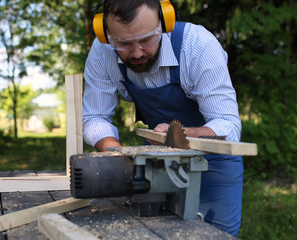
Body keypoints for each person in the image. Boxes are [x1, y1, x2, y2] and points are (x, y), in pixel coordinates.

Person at [82, 0, 243, 237]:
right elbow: (95, 116)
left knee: (216, 234)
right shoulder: (102, 50)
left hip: (213, 158)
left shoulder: (199, 46)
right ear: (105, 35)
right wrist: (119, 155)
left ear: (164, 23)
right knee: (156, 231)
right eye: (124, 44)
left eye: (146, 40)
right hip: (157, 158)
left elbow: (227, 124)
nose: (136, 53)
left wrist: (178, 135)